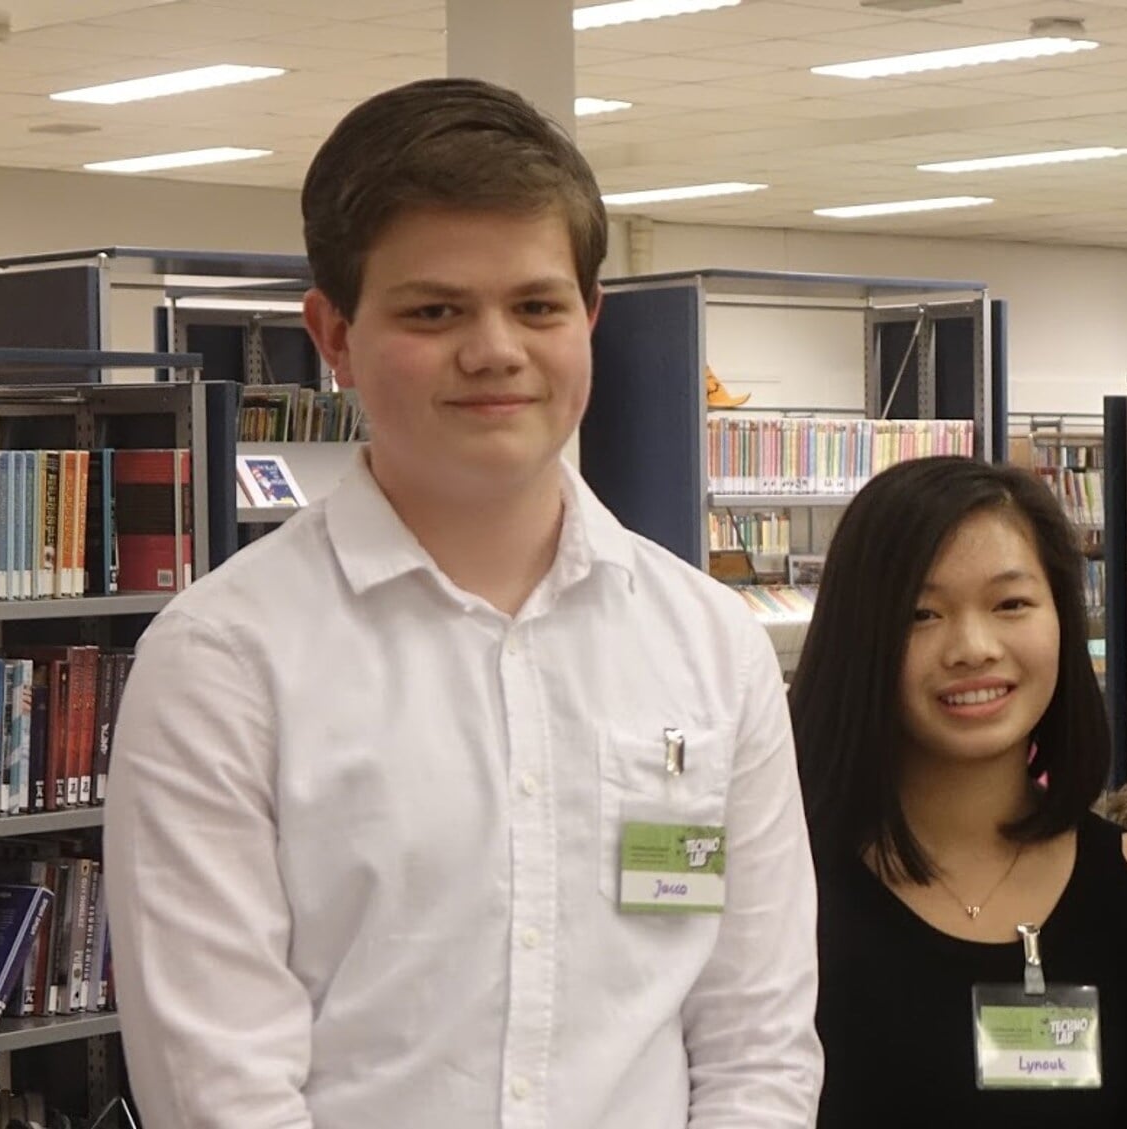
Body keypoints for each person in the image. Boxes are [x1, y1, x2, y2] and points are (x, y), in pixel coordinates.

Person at [103, 78, 822, 1129]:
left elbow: (755, 1043)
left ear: (589, 318)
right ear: (334, 335)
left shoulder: (710, 645)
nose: (494, 350)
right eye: (434, 310)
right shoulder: (222, 662)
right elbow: (221, 1087)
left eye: (536, 305)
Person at [790, 456, 1127, 1128]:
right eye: (922, 612)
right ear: (861, 635)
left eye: (1011, 604)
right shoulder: (788, 884)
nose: (973, 647)